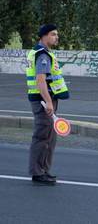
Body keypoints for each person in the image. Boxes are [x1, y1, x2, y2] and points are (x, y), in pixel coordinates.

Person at [26, 24, 70, 184]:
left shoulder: (45, 53)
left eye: (56, 34)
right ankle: (37, 172)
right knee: (42, 137)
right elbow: (40, 80)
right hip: (43, 101)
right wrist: (49, 102)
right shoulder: (42, 55)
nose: (56, 37)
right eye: (53, 34)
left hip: (46, 100)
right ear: (44, 36)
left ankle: (43, 170)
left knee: (50, 137)